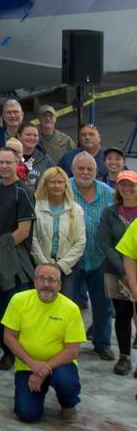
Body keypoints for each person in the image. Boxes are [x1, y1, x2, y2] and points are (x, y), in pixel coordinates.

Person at [2, 262, 86, 423]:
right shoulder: (19, 300)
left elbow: (72, 351)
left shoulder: (71, 309)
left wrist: (43, 369)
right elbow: (9, 337)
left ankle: (68, 405)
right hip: (27, 365)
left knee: (66, 382)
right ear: (34, 282)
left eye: (52, 280)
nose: (46, 284)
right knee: (27, 414)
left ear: (60, 285)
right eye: (42, 279)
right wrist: (32, 364)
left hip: (59, 365)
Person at [0, 147, 37, 370]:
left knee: (12, 310)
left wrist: (0, 248)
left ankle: (19, 353)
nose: (4, 166)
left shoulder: (22, 191)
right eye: (1, 162)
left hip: (13, 258)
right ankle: (6, 351)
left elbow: (23, 231)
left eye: (9, 162)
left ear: (17, 164)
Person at [70, 153, 116, 360]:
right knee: (67, 304)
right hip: (70, 258)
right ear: (73, 169)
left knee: (103, 304)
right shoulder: (63, 189)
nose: (85, 172)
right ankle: (64, 343)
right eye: (81, 168)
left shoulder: (108, 193)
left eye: (89, 169)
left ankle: (102, 342)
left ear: (97, 171)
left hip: (100, 258)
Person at [99, 170, 137, 374]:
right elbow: (105, 244)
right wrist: (124, 271)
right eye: (123, 184)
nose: (127, 188)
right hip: (115, 271)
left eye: (131, 184)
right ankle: (124, 357)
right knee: (123, 314)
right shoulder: (110, 212)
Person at [31, 166, 86, 302]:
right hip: (40, 265)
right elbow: (32, 239)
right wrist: (44, 264)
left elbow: (80, 242)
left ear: (65, 185)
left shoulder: (76, 210)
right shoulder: (35, 207)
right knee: (39, 303)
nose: (56, 185)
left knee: (64, 305)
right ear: (45, 184)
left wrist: (60, 266)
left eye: (60, 182)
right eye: (52, 182)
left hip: (66, 269)